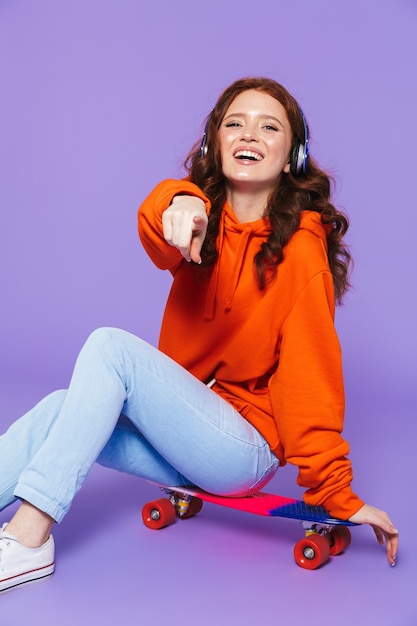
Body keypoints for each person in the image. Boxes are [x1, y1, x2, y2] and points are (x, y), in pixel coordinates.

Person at [0, 77, 398, 592]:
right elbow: (157, 227)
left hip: (242, 451)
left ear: (291, 156)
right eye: (234, 123)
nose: (249, 133)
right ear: (215, 144)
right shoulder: (197, 222)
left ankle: (30, 537)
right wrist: (179, 200)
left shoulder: (301, 252)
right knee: (61, 406)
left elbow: (310, 382)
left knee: (109, 347)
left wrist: (337, 494)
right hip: (182, 439)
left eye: (268, 126)